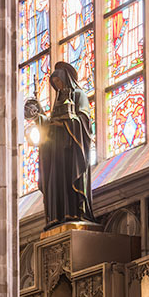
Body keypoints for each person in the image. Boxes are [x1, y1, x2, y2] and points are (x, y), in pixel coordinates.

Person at [25, 60, 95, 228]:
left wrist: (67, 121)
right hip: (57, 151)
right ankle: (57, 216)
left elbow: (84, 121)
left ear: (67, 79)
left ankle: (74, 212)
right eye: (55, 84)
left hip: (72, 151)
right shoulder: (58, 101)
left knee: (70, 183)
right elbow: (50, 125)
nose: (58, 86)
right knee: (55, 182)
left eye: (59, 82)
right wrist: (40, 117)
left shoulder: (79, 95)